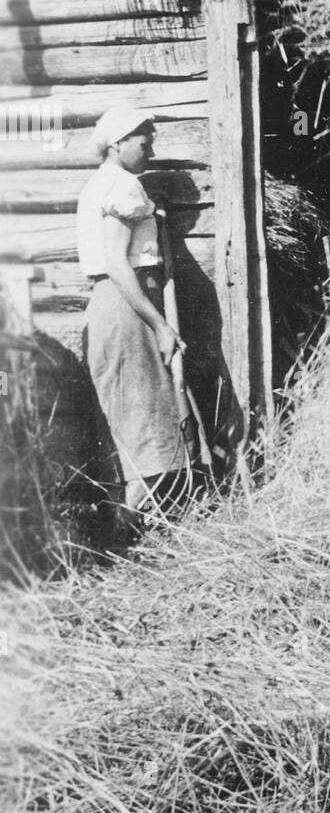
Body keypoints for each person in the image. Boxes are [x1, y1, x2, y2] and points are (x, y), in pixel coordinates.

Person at [76, 104, 188, 519]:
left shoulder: (100, 185)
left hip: (114, 305)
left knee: (133, 416)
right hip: (128, 307)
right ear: (118, 143)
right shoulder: (122, 185)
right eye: (144, 143)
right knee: (143, 419)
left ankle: (126, 523)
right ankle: (126, 528)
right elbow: (119, 264)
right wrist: (159, 325)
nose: (151, 151)